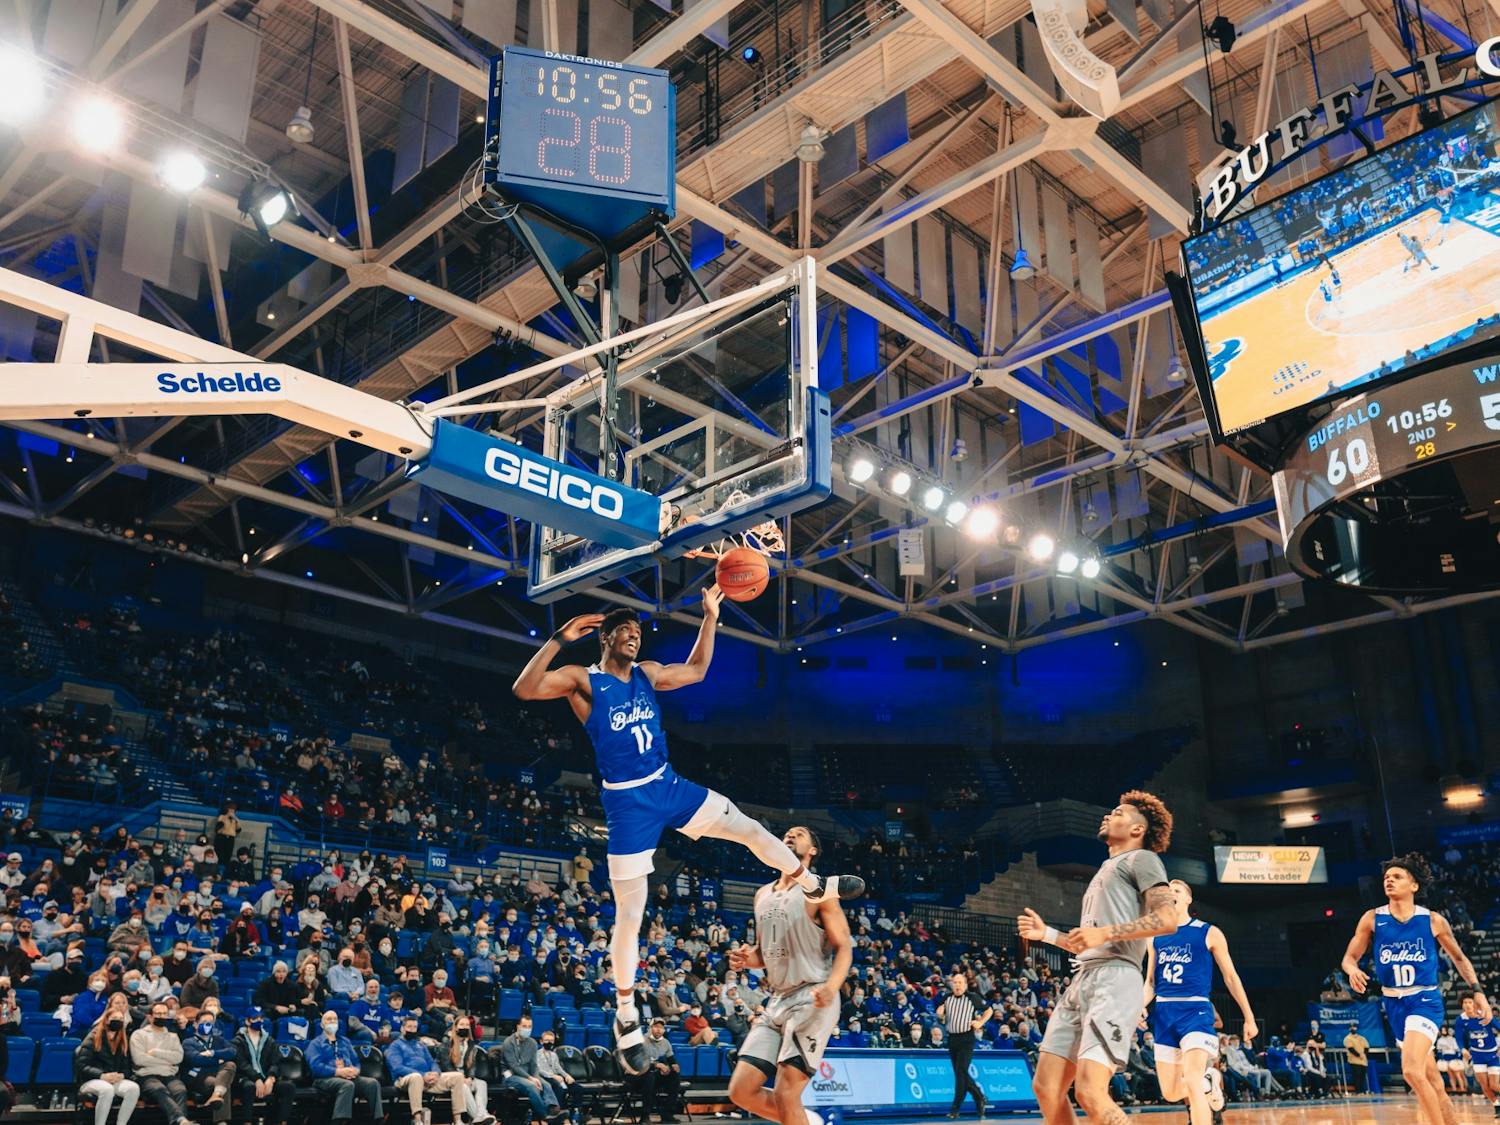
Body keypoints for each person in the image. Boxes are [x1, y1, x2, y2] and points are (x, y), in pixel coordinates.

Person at [513, 603, 865, 1074]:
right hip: (628, 803)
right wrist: (559, 637)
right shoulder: (582, 678)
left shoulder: (648, 673)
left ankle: (811, 883)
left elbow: (697, 669)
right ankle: (625, 1016)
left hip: (668, 784)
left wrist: (710, 616)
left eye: (638, 631)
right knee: (629, 916)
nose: (634, 637)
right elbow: (525, 688)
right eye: (624, 630)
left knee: (749, 827)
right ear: (606, 638)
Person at [1018, 792, 1177, 1125]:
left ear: (1137, 829)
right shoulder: (1105, 869)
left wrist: (1106, 933)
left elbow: (1167, 919)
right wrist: (1047, 935)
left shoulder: (1142, 859)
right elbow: (1086, 944)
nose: (1108, 816)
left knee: (1089, 1092)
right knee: (1046, 1087)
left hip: (1116, 979)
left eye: (1118, 813)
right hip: (1085, 978)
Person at [1341, 852, 1484, 1125]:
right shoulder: (1372, 918)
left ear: (1414, 885)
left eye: (1397, 877)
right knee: (1432, 1081)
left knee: (1411, 1072)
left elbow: (1459, 959)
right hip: (1394, 1005)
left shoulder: (1432, 920)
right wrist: (1352, 970)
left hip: (1424, 1001)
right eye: (1386, 877)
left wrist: (1477, 991)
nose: (1389, 881)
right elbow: (1349, 958)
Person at [727, 825, 852, 1125]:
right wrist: (747, 959)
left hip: (812, 996)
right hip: (777, 1000)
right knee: (740, 1092)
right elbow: (766, 953)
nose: (790, 835)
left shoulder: (820, 893)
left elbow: (844, 946)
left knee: (786, 1094)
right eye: (787, 833)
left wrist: (832, 988)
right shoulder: (762, 895)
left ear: (813, 851)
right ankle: (805, 1121)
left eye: (800, 833)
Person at [1142, 880, 1257, 1125]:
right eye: (1167, 891)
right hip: (1164, 1012)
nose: (1171, 893)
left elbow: (1230, 976)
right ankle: (1209, 1081)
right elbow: (1151, 982)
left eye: (1177, 890)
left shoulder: (1208, 931)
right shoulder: (1154, 937)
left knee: (1192, 1079)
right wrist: (1137, 1007)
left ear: (1188, 899)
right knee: (1171, 1093)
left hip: (1195, 1010)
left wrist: (1248, 1017)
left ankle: (1201, 1084)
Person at [387, 1014, 470, 1125]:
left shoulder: (420, 1045)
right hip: (405, 1080)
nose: (412, 1030)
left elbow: (432, 1062)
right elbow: (397, 1067)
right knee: (416, 1077)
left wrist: (435, 1073)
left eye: (414, 1027)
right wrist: (422, 1075)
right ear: (402, 1029)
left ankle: (458, 1119)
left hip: (428, 1079)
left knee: (457, 1076)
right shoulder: (395, 1045)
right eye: (409, 1027)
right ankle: (417, 1120)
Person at [306, 1010, 385, 1125]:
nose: (332, 1021)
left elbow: (356, 1062)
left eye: (335, 1019)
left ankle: (378, 1120)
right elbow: (316, 1067)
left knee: (372, 1083)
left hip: (348, 1076)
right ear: (322, 1025)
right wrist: (338, 1072)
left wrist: (355, 1070)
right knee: (347, 1085)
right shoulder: (315, 1044)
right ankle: (340, 1121)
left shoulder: (345, 1041)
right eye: (328, 1019)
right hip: (324, 1079)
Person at [76, 1001, 141, 1125]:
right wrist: (102, 1075)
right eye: (114, 1018)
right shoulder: (93, 1037)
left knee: (133, 1088)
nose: (118, 1021)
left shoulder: (123, 1039)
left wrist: (122, 1075)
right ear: (106, 1020)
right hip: (91, 1080)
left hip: (114, 1079)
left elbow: (127, 1067)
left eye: (121, 1018)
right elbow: (82, 1065)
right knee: (107, 1089)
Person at [936, 971, 989, 1118]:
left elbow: (989, 1011)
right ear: (952, 985)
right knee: (960, 1073)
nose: (957, 985)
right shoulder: (947, 998)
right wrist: (940, 1014)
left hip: (966, 1038)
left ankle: (955, 1108)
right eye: (955, 982)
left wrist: (980, 1022)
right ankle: (979, 1097)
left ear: (965, 985)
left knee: (961, 1072)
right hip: (952, 1038)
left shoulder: (972, 998)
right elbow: (941, 1015)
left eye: (960, 982)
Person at [129, 1001, 191, 1125]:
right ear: (150, 1016)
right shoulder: (139, 1035)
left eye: (164, 1014)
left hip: (169, 1075)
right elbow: (139, 1059)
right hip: (146, 1075)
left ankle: (179, 1121)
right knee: (159, 1088)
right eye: (158, 1013)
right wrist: (167, 1061)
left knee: (180, 1090)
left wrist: (156, 1052)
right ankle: (181, 1119)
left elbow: (178, 1057)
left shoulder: (173, 1036)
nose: (162, 1016)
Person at [235, 1007, 297, 1125]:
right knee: (249, 1087)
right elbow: (242, 1064)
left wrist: (271, 1078)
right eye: (254, 1018)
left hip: (266, 1077)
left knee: (289, 1087)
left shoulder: (269, 1040)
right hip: (247, 1078)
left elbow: (275, 1063)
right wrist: (256, 1078)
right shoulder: (238, 1041)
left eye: (261, 1018)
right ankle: (247, 1122)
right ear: (247, 1021)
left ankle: (281, 1122)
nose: (259, 1021)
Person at [499, 1013, 562, 1123]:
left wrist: (536, 1077)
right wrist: (531, 1078)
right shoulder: (508, 1042)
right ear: (518, 1026)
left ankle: (554, 1110)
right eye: (524, 1026)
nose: (527, 1029)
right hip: (511, 1076)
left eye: (529, 1027)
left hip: (528, 1075)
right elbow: (513, 1066)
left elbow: (534, 1065)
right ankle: (545, 1115)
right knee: (532, 1086)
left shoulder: (532, 1043)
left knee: (545, 1084)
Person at [183, 1009, 239, 1123]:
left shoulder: (218, 1039)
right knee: (223, 1083)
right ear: (195, 1024)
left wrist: (213, 1053)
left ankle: (216, 1095)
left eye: (210, 1022)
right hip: (199, 1077)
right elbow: (196, 1060)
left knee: (230, 1064)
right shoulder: (188, 1042)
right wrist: (219, 1060)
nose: (207, 1025)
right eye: (204, 1022)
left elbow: (233, 1051)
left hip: (218, 1074)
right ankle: (221, 1121)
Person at [441, 1015, 496, 1125]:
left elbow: (472, 1063)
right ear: (455, 1027)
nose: (465, 1027)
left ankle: (482, 1113)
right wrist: (461, 1078)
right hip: (450, 1076)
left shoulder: (470, 1043)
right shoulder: (447, 1040)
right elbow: (445, 1064)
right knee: (464, 1087)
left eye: (467, 1025)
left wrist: (470, 1077)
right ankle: (477, 1116)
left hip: (465, 1076)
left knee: (481, 1083)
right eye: (462, 1025)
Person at [1455, 992, 1500, 1113]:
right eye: (1465, 1003)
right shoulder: (1461, 1020)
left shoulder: (1485, 1015)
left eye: (1470, 1002)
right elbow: (1458, 1037)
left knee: (1494, 1085)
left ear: (1475, 1004)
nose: (1468, 1005)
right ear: (1462, 1004)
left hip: (1492, 1055)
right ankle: (1497, 1105)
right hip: (1477, 1055)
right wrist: (1462, 1049)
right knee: (1485, 1087)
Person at [634, 1019, 682, 1123]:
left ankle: (667, 1114)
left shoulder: (665, 1042)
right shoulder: (642, 1041)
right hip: (638, 1076)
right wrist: (656, 1065)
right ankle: (645, 1115)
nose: (658, 1030)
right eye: (656, 1027)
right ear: (650, 1028)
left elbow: (671, 1059)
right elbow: (639, 1062)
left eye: (661, 1028)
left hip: (653, 1075)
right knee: (650, 1075)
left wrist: (674, 1066)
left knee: (675, 1076)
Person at [1436, 1024, 1465, 1093]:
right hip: (1445, 1059)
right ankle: (1454, 1089)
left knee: (1457, 1074)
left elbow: (1457, 1050)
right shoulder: (1439, 1040)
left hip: (1453, 1058)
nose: (1443, 1032)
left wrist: (1457, 1058)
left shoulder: (1452, 1039)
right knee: (1451, 1076)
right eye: (1442, 1030)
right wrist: (1441, 1058)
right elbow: (1439, 1051)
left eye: (1444, 1030)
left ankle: (1462, 1089)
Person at [1343, 1023, 1370, 1094]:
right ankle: (1358, 1091)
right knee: (1356, 1076)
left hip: (1363, 1061)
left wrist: (1364, 1055)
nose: (1353, 1029)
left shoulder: (1362, 1038)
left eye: (1354, 1027)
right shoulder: (1347, 1038)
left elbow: (1366, 1047)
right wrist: (1358, 1055)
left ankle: (1362, 1090)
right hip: (1354, 1060)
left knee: (1362, 1076)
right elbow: (1350, 1049)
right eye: (1351, 1027)